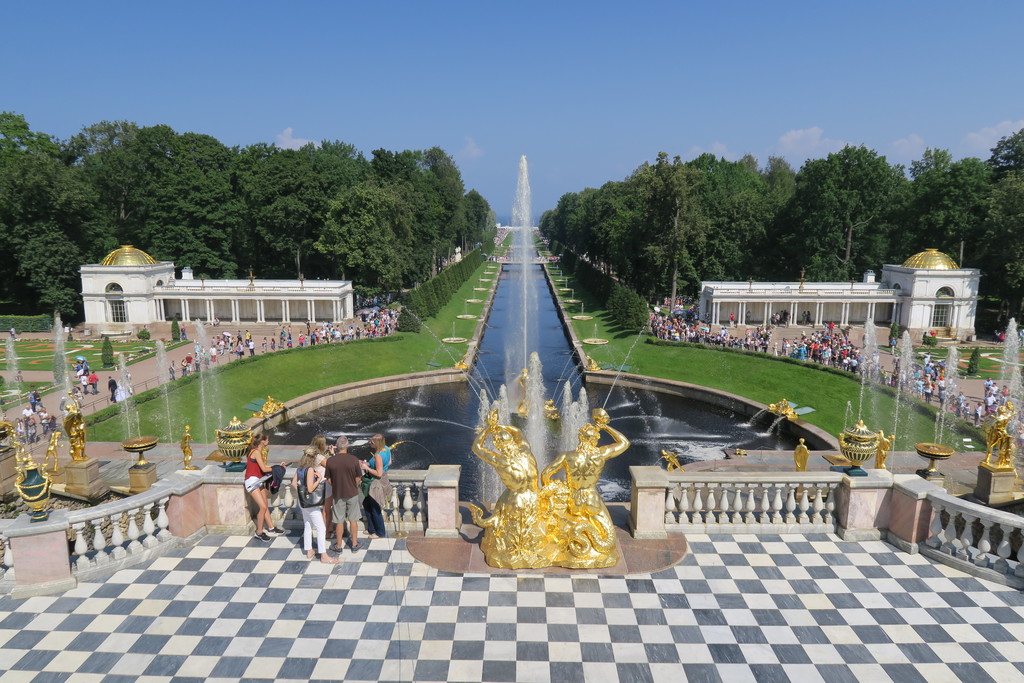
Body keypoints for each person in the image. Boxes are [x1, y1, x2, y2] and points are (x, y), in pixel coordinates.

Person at [293, 446, 337, 564]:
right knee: (321, 528)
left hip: (302, 501)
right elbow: (311, 489)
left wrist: (302, 491)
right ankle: (324, 556)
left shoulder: (300, 468)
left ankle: (309, 551)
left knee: (308, 525)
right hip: (311, 504)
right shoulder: (310, 470)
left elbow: (293, 484)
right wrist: (319, 479)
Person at [326, 435, 363, 553]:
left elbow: (328, 480)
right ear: (347, 446)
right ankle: (354, 544)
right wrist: (352, 484)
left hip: (338, 494)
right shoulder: (354, 459)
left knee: (339, 521)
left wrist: (336, 486)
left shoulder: (330, 461)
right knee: (353, 519)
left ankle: (339, 545)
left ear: (337, 446)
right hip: (352, 493)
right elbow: (358, 477)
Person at [244, 433, 284, 541]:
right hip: (252, 482)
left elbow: (264, 467)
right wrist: (277, 469)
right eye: (267, 440)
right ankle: (259, 532)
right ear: (263, 441)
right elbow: (265, 469)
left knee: (265, 505)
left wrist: (278, 467)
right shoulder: (256, 452)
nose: (268, 442)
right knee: (262, 507)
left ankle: (271, 528)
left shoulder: (258, 451)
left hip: (258, 480)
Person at [361, 433, 391, 539]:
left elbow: (379, 473)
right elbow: (390, 462)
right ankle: (371, 529)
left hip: (375, 482)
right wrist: (372, 464)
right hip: (382, 480)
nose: (370, 442)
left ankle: (380, 532)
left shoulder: (378, 455)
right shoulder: (386, 448)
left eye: (372, 441)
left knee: (374, 507)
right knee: (366, 503)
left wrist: (366, 467)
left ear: (377, 443)